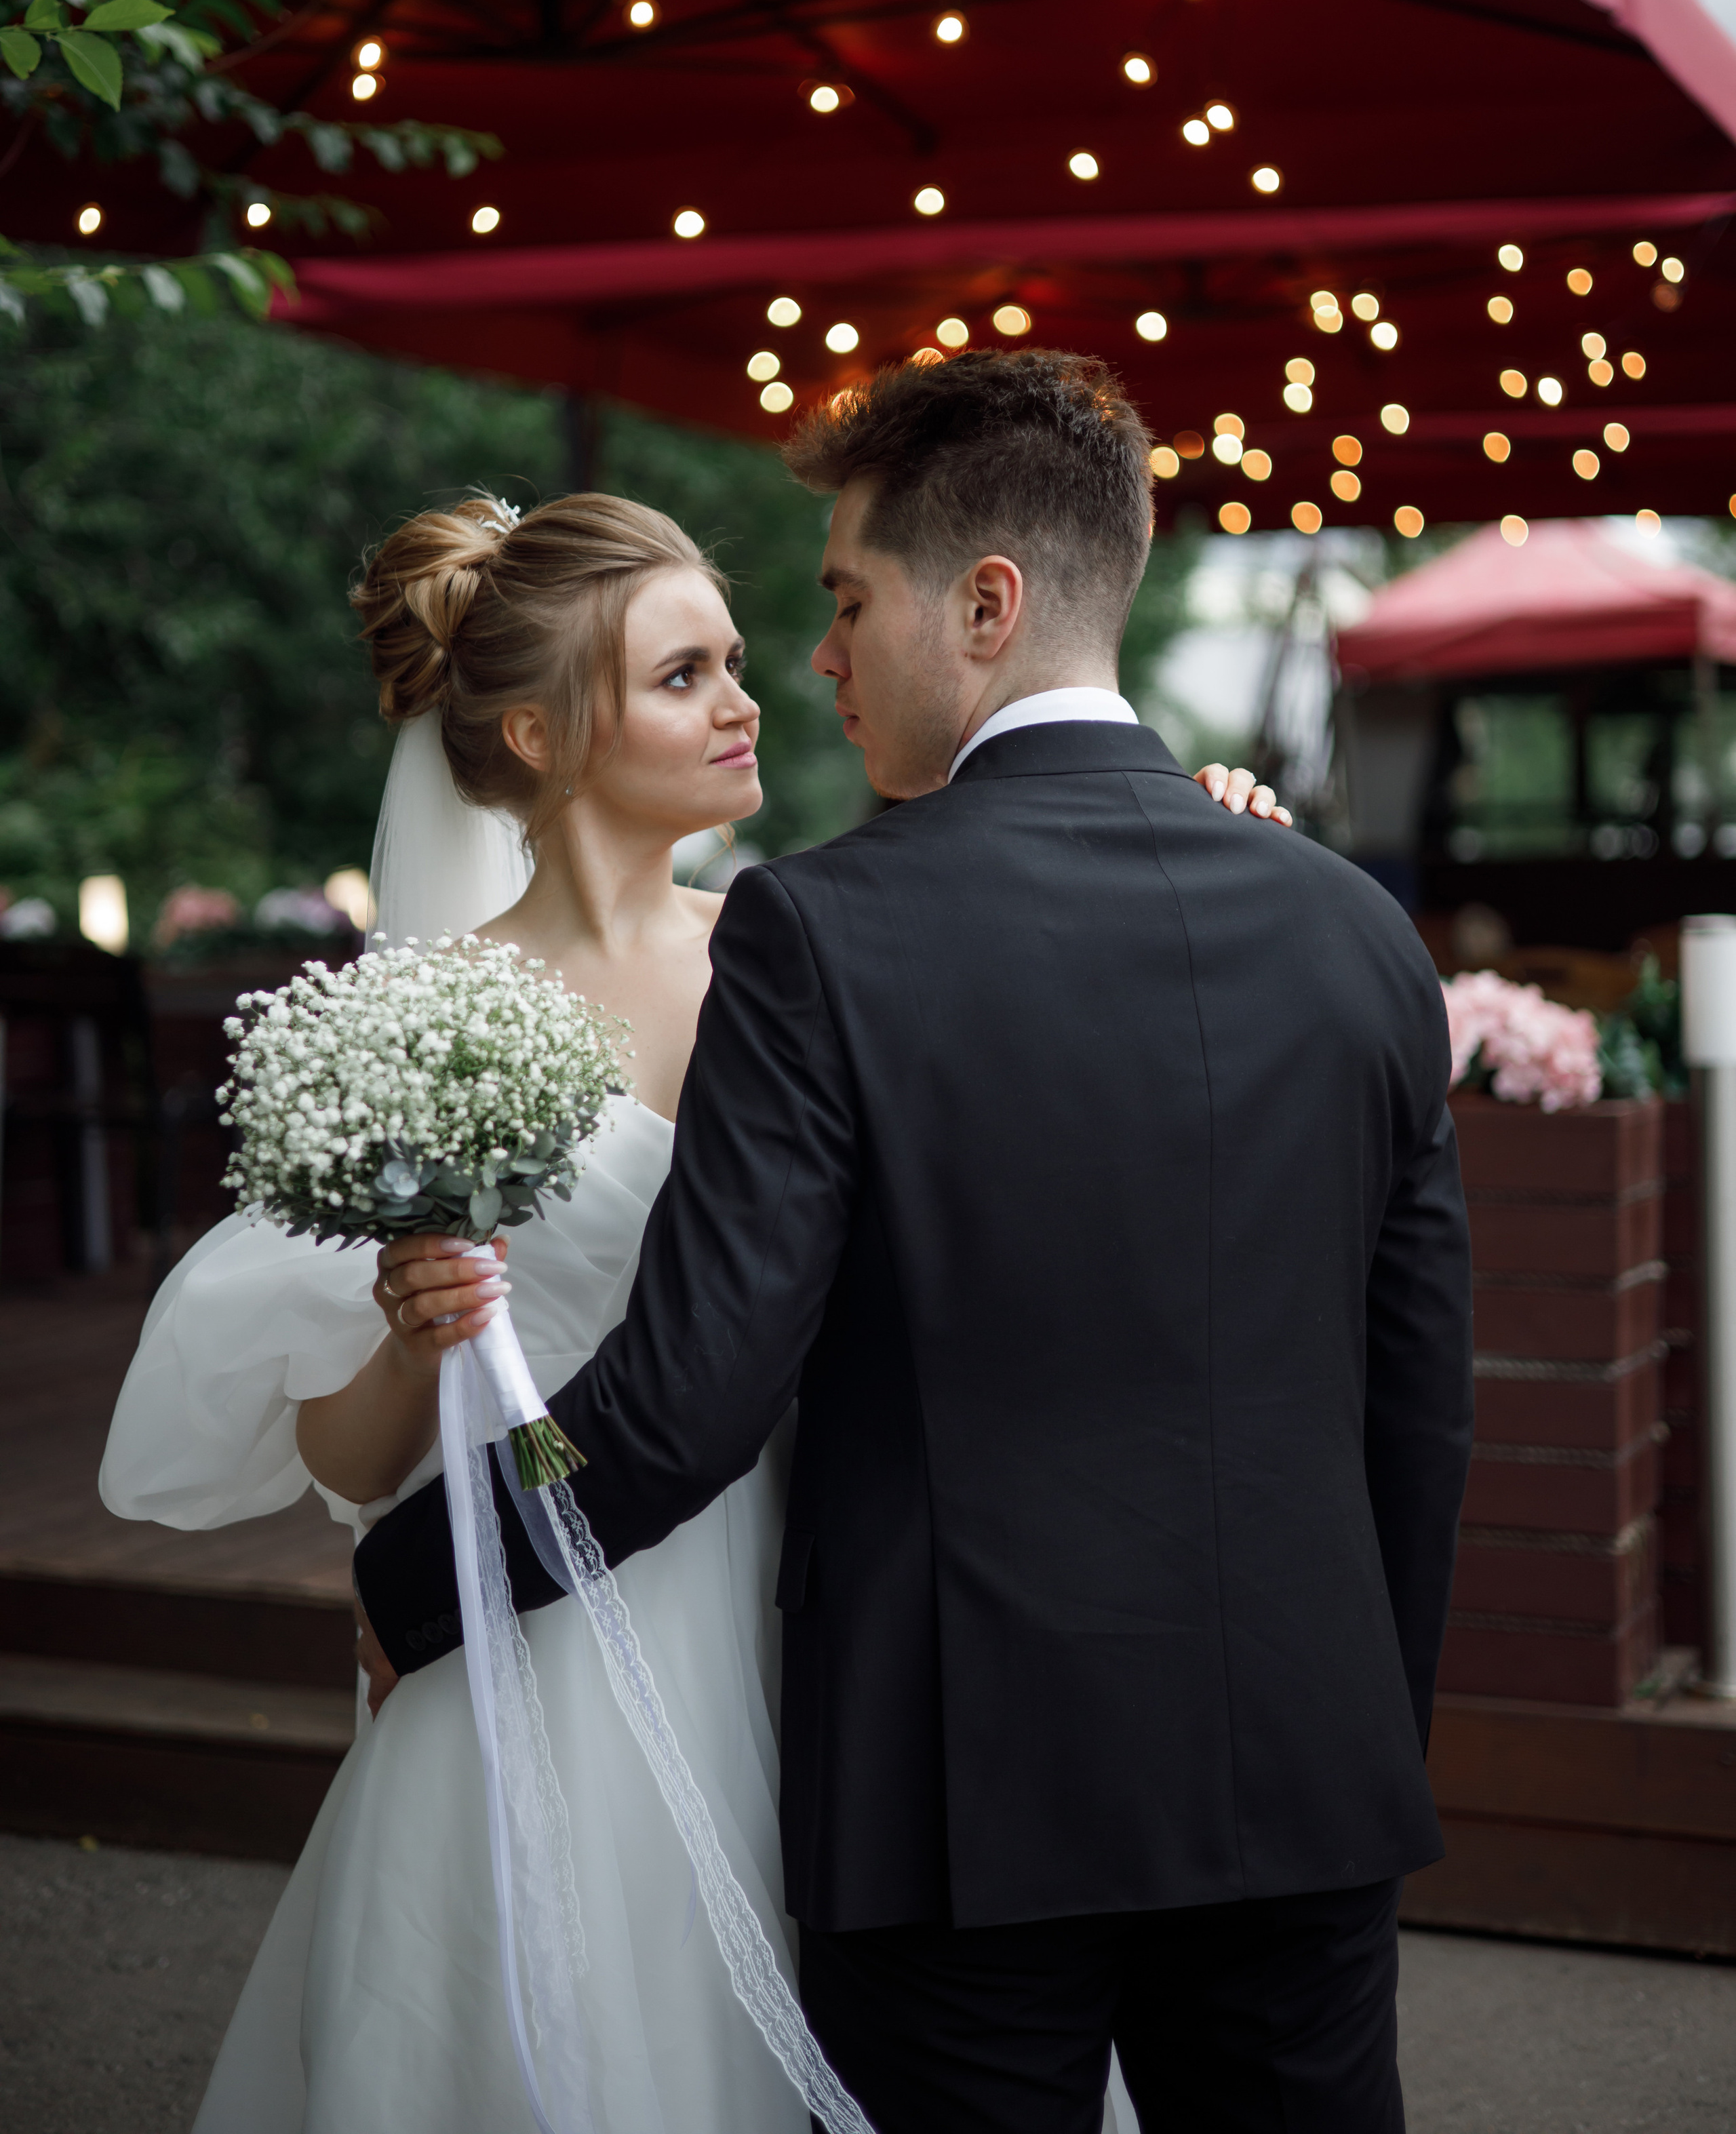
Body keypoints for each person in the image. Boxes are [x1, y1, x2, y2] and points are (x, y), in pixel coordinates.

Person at [357, 349, 1475, 2134]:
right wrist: (1357, 1722)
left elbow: (678, 1399)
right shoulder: (1357, 935)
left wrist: (423, 1570)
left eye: (845, 600)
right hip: (1305, 1773)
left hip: (962, 1798)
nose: (819, 657)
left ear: (984, 606)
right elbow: (1420, 1411)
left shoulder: (821, 933)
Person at [100, 473, 1281, 2134]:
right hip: (539, 1620)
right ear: (536, 734)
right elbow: (354, 1462)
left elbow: (1049, 1031)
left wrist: (1197, 844)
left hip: (813, 1594)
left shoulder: (814, 944)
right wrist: (412, 1337)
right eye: (682, 675)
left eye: (732, 658)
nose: (748, 699)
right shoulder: (422, 1019)